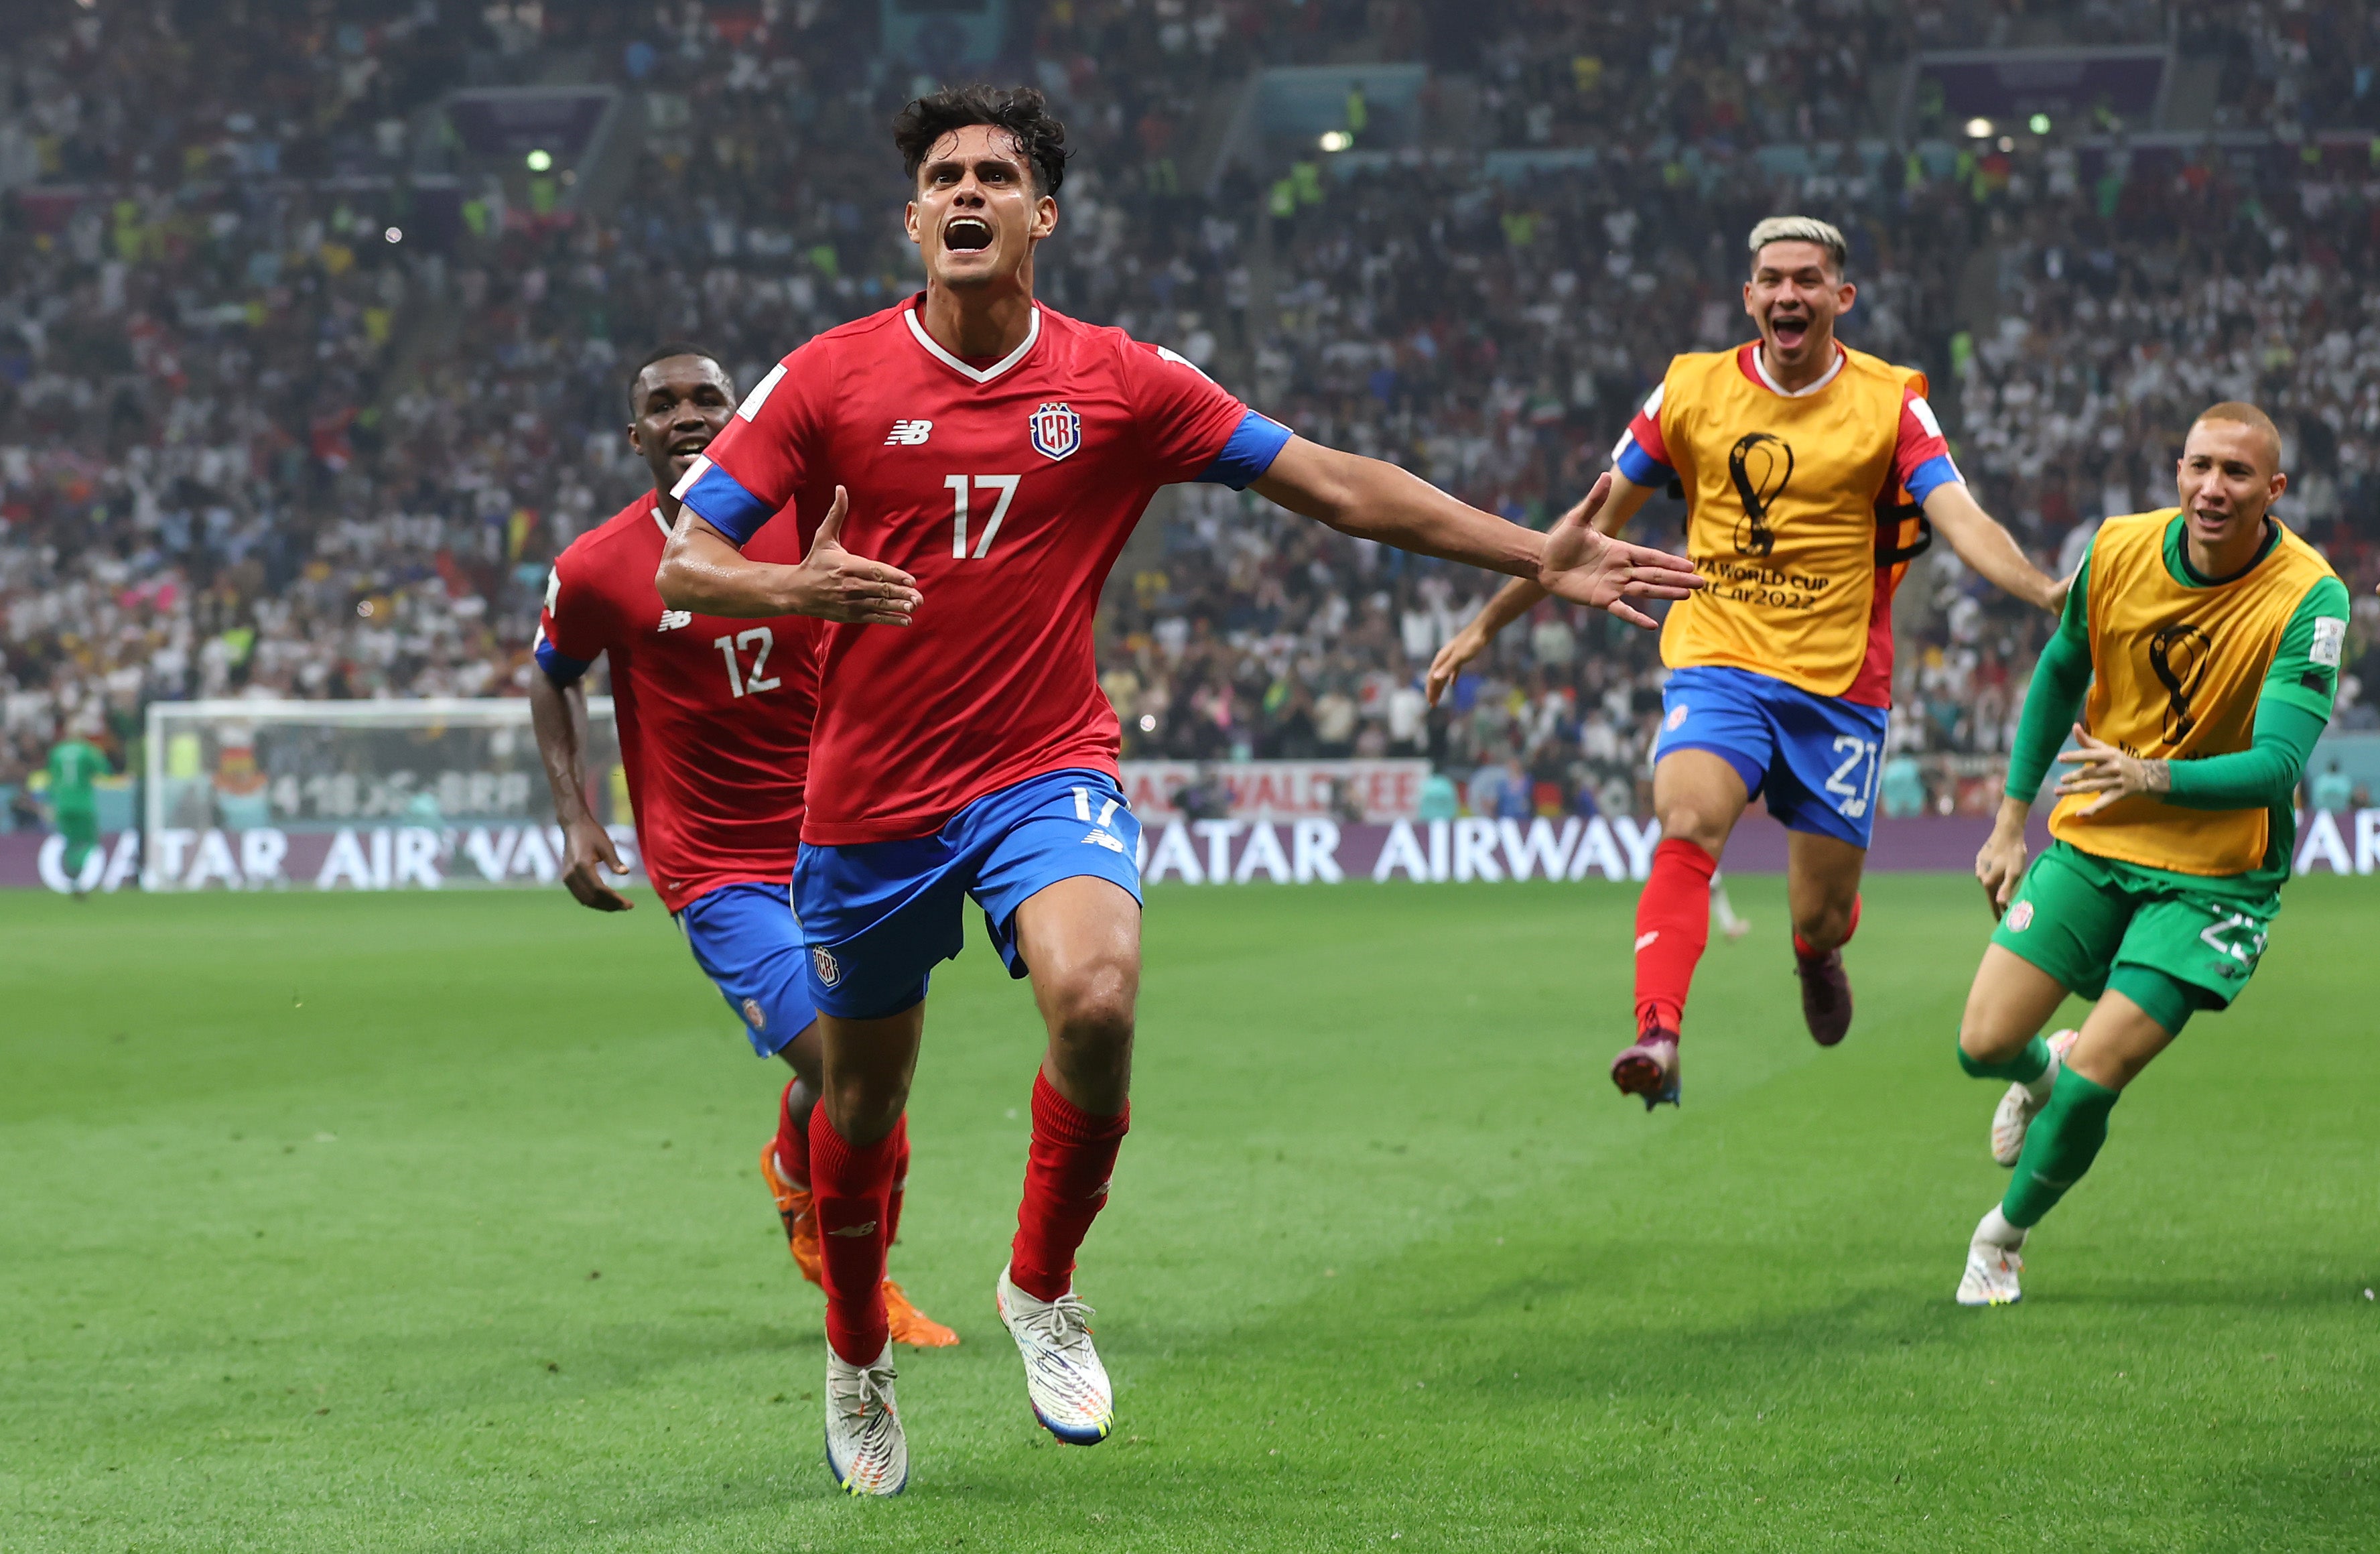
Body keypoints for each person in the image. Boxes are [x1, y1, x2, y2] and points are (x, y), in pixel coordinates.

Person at [652, 85, 1703, 1496]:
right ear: (913, 219)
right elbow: (685, 564)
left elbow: (1330, 482)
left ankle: (1042, 1284)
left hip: (1041, 763)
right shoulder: (829, 377)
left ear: (1044, 216)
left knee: (1096, 995)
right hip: (871, 798)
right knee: (856, 1103)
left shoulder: (1121, 378)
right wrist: (799, 580)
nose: (968, 194)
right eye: (945, 178)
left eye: (997, 176)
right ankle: (855, 1355)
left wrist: (1536, 554)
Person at [1426, 215, 2063, 1108]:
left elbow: (1957, 513)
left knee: (1820, 910)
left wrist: (2041, 590)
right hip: (1717, 654)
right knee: (1686, 819)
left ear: (1841, 297)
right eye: (1772, 279)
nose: (1788, 294)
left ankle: (1816, 950)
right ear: (1750, 296)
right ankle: (1659, 1032)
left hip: (1840, 685)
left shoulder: (1890, 400)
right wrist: (1489, 624)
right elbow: (1588, 529)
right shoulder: (1689, 389)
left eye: (1808, 280)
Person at [528, 343, 956, 1352]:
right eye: (662, 403)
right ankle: (867, 1290)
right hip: (717, 865)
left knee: (856, 1079)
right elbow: (553, 674)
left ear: (744, 412)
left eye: (707, 397)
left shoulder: (814, 522)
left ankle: (792, 1156)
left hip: (844, 839)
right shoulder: (599, 566)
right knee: (858, 1078)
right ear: (634, 437)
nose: (688, 414)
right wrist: (577, 814)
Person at [1951, 403, 2347, 1306]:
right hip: (2099, 836)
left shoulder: (2310, 596)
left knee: (2099, 1078)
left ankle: (2000, 1240)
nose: (2213, 487)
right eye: (2199, 466)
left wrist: (2154, 774)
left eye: (2237, 473)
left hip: (2216, 875)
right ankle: (2038, 1071)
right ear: (2178, 470)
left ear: (2273, 490)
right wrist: (2010, 820)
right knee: (1983, 1043)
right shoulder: (2120, 548)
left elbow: (2278, 765)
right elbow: (2060, 669)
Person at [44, 728, 109, 896]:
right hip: (83, 805)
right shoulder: (87, 751)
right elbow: (104, 770)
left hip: (63, 805)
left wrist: (51, 804)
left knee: (70, 843)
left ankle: (74, 876)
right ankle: (80, 875)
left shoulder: (56, 752)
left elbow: (52, 780)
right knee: (90, 842)